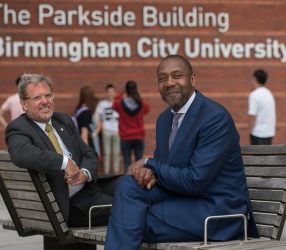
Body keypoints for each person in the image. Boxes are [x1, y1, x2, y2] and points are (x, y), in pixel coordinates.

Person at [104, 55, 259, 250]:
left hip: (217, 211)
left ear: (192, 79)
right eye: (162, 78)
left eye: (177, 76)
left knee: (131, 218)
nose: (169, 83)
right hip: (181, 199)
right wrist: (149, 173)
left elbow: (195, 181)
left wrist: (149, 163)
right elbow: (165, 169)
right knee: (127, 185)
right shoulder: (164, 120)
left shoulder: (214, 118)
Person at [5, 74, 119, 228]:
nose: (45, 101)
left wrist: (84, 173)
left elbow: (89, 153)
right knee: (131, 208)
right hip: (72, 204)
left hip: (90, 186)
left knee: (131, 184)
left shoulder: (62, 120)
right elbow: (20, 153)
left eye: (48, 95)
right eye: (37, 98)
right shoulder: (19, 127)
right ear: (24, 104)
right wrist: (64, 162)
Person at [112, 80, 150, 173]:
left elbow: (114, 104)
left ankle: (127, 184)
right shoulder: (142, 103)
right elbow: (147, 110)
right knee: (139, 162)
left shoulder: (120, 103)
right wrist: (138, 96)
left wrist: (121, 94)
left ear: (126, 91)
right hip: (139, 136)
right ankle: (139, 184)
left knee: (127, 162)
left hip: (125, 137)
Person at [94, 84, 120, 175]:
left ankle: (116, 173)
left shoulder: (119, 102)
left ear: (115, 93)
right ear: (106, 93)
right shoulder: (102, 104)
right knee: (107, 154)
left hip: (117, 131)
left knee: (116, 153)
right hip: (107, 130)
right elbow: (97, 115)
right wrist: (100, 126)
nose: (110, 93)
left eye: (112, 91)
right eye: (108, 92)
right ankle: (107, 174)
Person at [248, 69, 276, 145]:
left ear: (254, 79)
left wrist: (250, 131)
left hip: (257, 133)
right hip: (269, 133)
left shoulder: (254, 95)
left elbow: (252, 116)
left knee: (257, 156)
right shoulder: (269, 94)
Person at [73, 86, 99, 152]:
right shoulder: (86, 112)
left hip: (77, 140)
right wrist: (87, 151)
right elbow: (84, 133)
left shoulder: (78, 109)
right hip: (85, 142)